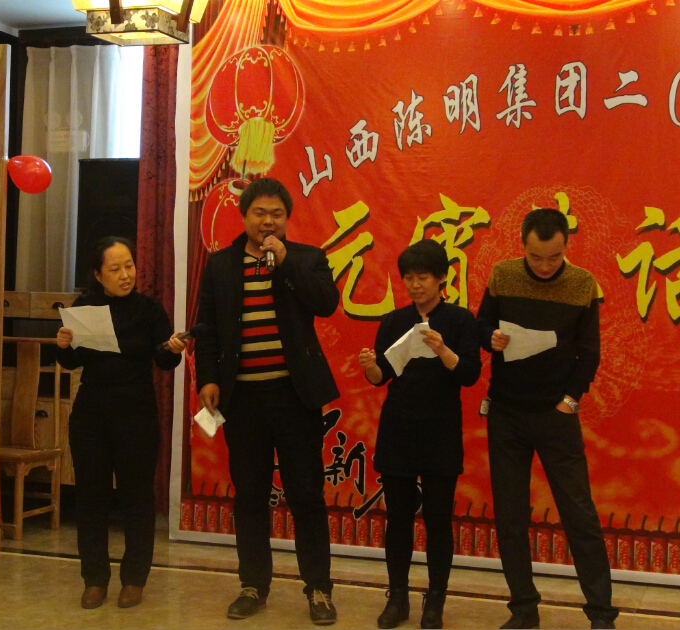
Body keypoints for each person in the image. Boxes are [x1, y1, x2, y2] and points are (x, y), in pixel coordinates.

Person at [195, 177, 341, 625]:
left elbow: (326, 303)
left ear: (287, 219)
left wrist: (285, 262)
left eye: (277, 214)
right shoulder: (221, 264)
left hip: (295, 399)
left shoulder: (306, 259)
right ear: (244, 216)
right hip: (243, 401)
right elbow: (207, 329)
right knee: (251, 497)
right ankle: (253, 586)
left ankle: (318, 589)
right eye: (259, 213)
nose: (268, 221)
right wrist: (207, 379)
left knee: (306, 496)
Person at [476, 209, 618, 630]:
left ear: (566, 247)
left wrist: (570, 401)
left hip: (556, 414)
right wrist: (489, 337)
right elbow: (480, 324)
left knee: (579, 514)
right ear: (523, 246)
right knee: (510, 516)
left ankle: (601, 614)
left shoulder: (582, 284)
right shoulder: (503, 275)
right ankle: (523, 609)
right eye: (536, 257)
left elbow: (589, 353)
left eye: (554, 257)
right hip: (506, 413)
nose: (544, 266)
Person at [56, 236, 185, 611]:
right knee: (90, 499)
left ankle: (134, 579)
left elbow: (164, 361)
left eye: (129, 265)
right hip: (91, 414)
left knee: (137, 499)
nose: (126, 274)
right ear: (98, 275)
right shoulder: (84, 308)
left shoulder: (149, 309)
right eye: (115, 269)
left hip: (137, 413)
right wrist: (63, 344)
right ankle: (94, 579)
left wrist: (172, 349)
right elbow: (72, 362)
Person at [358, 240, 481, 630]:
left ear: (442, 278)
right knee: (397, 517)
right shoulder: (395, 321)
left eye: (423, 277)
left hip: (440, 429)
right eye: (409, 278)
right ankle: (398, 597)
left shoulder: (460, 320)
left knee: (438, 519)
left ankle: (435, 600)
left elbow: (470, 374)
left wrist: (443, 350)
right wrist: (370, 366)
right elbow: (381, 376)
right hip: (399, 427)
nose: (415, 285)